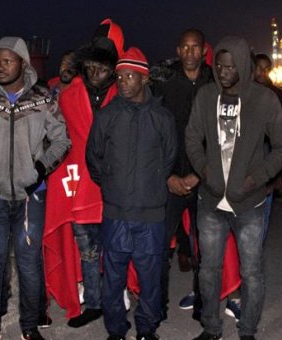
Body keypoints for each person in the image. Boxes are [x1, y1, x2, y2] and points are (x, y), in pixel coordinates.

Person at [0, 36, 70, 340]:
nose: (0, 66)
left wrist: (41, 169)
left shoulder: (43, 99)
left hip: (31, 197)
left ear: (23, 63)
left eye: (7, 60)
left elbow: (62, 140)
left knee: (30, 265)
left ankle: (29, 328)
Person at [185, 36, 282, 340]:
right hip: (211, 201)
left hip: (250, 203)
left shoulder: (264, 100)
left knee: (251, 273)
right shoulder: (206, 96)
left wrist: (256, 178)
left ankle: (247, 331)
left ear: (244, 66)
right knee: (208, 269)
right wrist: (204, 169)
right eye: (218, 64)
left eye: (230, 66)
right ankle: (211, 328)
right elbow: (192, 137)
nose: (223, 71)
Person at [87, 46, 176, 340]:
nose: (122, 81)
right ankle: (116, 330)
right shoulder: (107, 115)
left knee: (150, 278)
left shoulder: (162, 117)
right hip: (116, 212)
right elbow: (94, 157)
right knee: (113, 277)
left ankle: (147, 330)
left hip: (151, 215)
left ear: (144, 79)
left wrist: (149, 184)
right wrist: (112, 184)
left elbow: (169, 159)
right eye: (119, 76)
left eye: (129, 76)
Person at [43, 18, 125, 328]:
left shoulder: (124, 94)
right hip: (78, 187)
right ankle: (93, 303)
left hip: (115, 190)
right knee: (88, 252)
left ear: (112, 68)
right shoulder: (68, 95)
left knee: (117, 251)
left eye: (101, 68)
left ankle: (114, 300)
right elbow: (59, 139)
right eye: (89, 66)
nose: (94, 73)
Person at [150, 28, 213, 322]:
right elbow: (151, 133)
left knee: (206, 246)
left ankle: (204, 302)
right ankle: (157, 304)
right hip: (169, 177)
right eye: (184, 47)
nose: (190, 53)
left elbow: (222, 137)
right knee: (161, 246)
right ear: (178, 50)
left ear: (203, 50)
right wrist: (166, 176)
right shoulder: (162, 81)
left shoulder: (215, 82)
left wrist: (201, 175)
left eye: (195, 47)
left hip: (204, 179)